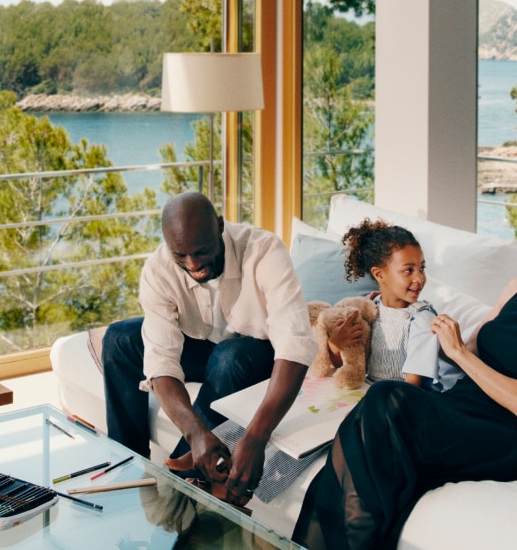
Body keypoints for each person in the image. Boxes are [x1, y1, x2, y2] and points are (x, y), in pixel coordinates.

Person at [292, 218, 517, 549]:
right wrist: (422, 329)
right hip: (456, 405)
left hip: (501, 433)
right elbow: (471, 348)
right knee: (376, 413)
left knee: (385, 402)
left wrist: (458, 352)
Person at [102, 192, 361, 506]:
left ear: (220, 227)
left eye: (201, 251)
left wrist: (255, 437)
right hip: (204, 347)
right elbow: (161, 361)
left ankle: (185, 483)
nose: (193, 264)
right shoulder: (159, 269)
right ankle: (128, 467)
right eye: (181, 255)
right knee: (118, 339)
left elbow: (295, 345)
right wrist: (195, 434)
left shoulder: (264, 251)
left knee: (229, 357)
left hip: (257, 354)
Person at [338, 218, 460, 388]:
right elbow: (348, 363)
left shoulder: (421, 319)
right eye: (409, 270)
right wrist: (335, 345)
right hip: (371, 388)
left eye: (421, 268)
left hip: (405, 395)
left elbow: (412, 385)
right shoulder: (370, 308)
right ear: (379, 274)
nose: (419, 278)